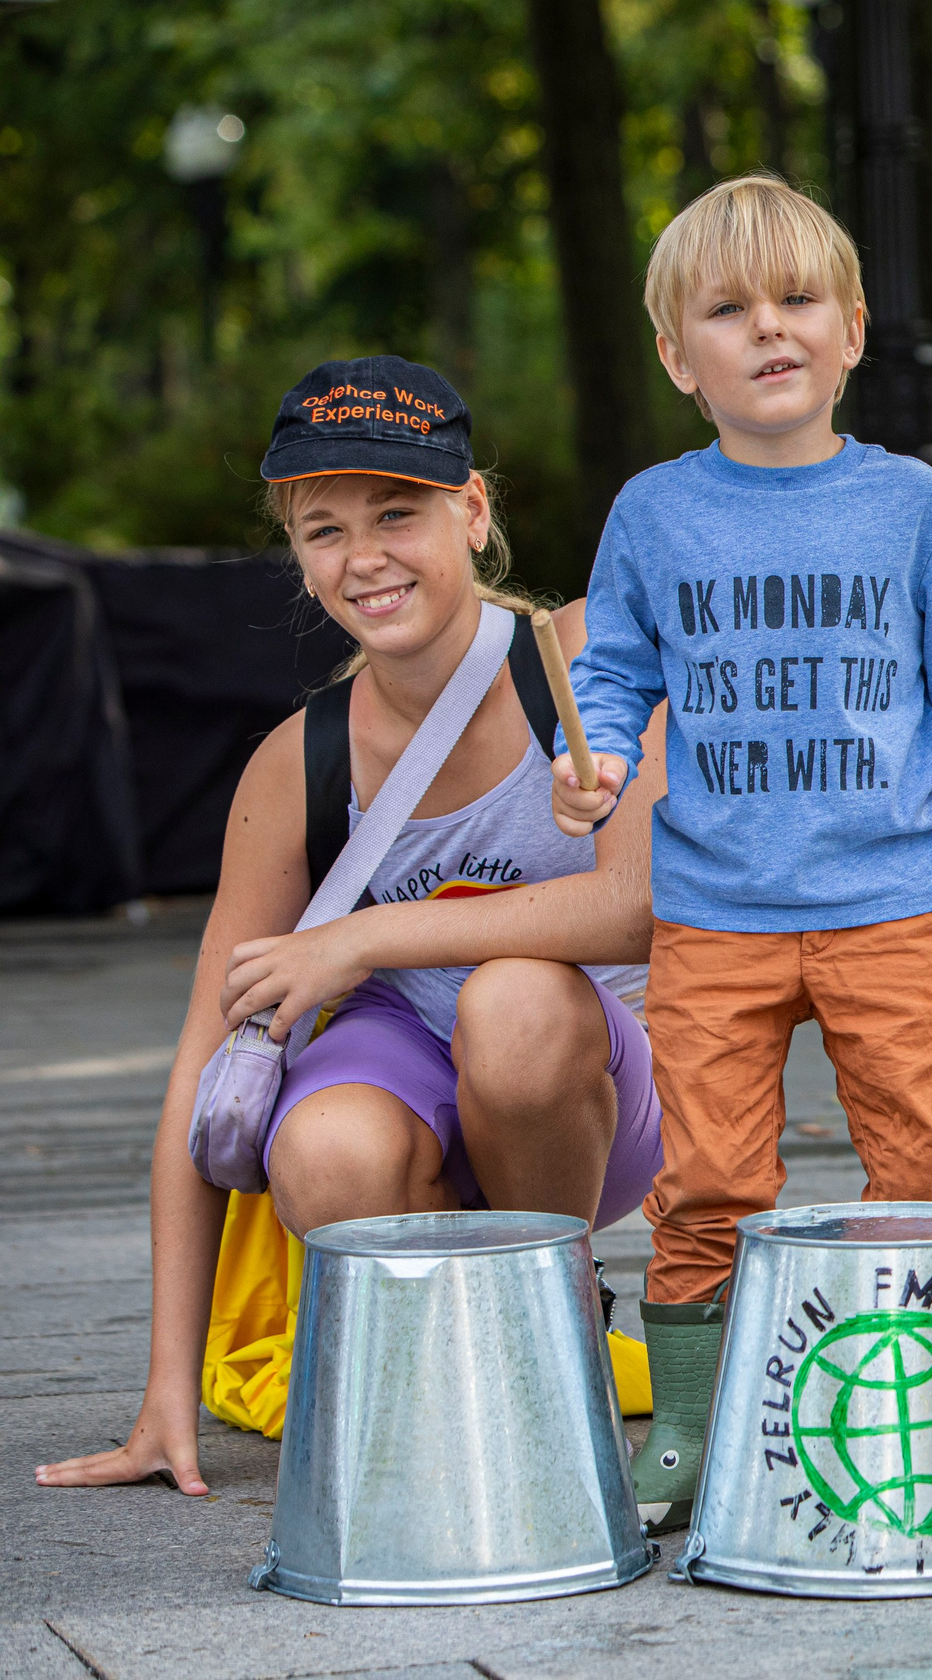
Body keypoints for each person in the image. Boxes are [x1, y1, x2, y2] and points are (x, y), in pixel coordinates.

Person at [545, 173, 932, 1533]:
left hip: (893, 903)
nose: (771, 327)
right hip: (712, 912)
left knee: (929, 1162)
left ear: (853, 328)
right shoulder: (654, 512)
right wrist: (600, 759)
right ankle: (687, 1419)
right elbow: (612, 672)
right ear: (683, 358)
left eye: (799, 298)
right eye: (730, 310)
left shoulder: (912, 503)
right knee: (708, 1181)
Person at [36, 355, 668, 1497]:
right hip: (404, 1072)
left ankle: (559, 1323)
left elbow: (637, 909)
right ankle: (441, 1384)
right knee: (322, 1144)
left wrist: (362, 939)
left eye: (398, 513)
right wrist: (163, 1391)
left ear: (473, 511)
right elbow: (200, 1062)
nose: (363, 556)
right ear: (297, 554)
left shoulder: (585, 658)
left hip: (587, 1088)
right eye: (324, 529)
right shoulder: (297, 763)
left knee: (513, 998)